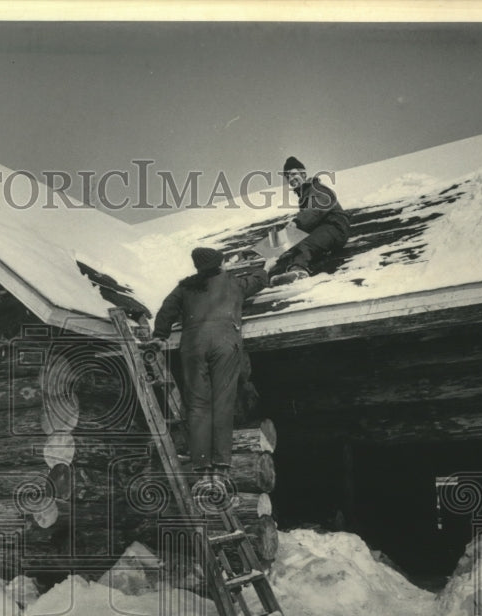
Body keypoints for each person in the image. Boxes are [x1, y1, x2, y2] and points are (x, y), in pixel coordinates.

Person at [150, 247, 269, 488]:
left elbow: (166, 309)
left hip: (193, 345)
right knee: (223, 402)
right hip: (225, 342)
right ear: (221, 263)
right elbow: (259, 280)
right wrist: (264, 267)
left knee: (197, 404)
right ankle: (221, 467)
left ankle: (202, 465)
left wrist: (160, 335)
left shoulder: (185, 287)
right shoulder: (232, 282)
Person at [272, 156, 350, 284]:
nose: (291, 179)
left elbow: (315, 211)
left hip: (336, 227)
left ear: (303, 173)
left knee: (304, 244)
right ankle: (284, 269)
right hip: (323, 230)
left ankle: (299, 271)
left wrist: (297, 222)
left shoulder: (317, 188)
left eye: (293, 174)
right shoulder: (304, 195)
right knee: (292, 245)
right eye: (288, 177)